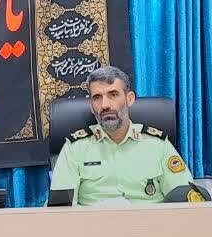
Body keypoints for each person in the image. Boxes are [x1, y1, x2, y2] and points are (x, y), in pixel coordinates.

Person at [50, 66, 194, 207]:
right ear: (91, 106)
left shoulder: (158, 145)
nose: (105, 105)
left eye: (113, 95)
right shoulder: (75, 148)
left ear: (129, 99)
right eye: (97, 98)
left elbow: (185, 197)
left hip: (149, 221)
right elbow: (61, 208)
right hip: (95, 221)